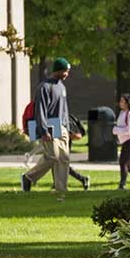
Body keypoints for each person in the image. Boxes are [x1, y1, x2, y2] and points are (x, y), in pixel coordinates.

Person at [21, 57, 74, 193]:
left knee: (64, 159)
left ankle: (61, 189)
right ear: (58, 70)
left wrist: (67, 128)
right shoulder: (45, 87)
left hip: (61, 126)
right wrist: (44, 131)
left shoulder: (62, 87)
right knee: (52, 156)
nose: (67, 74)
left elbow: (64, 109)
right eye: (65, 71)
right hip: (49, 126)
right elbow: (40, 110)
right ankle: (28, 177)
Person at [20, 102, 90, 190]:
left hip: (55, 130)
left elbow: (78, 135)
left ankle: (65, 183)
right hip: (50, 128)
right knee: (57, 159)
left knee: (59, 160)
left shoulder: (62, 115)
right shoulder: (46, 106)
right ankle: (63, 184)